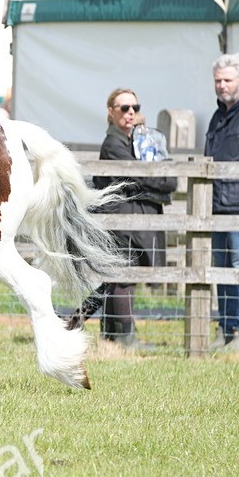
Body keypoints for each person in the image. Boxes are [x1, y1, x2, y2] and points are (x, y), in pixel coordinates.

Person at [91, 88, 175, 349]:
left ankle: (111, 334)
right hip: (119, 220)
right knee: (122, 277)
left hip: (130, 219)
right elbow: (140, 178)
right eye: (124, 108)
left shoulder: (133, 141)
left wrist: (158, 179)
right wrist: (164, 180)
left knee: (119, 277)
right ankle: (125, 337)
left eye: (135, 108)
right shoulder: (114, 144)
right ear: (111, 112)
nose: (130, 113)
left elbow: (146, 176)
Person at [206, 53, 239, 351]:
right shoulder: (218, 117)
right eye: (218, 80)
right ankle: (226, 327)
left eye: (227, 80)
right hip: (216, 206)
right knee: (220, 268)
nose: (221, 86)